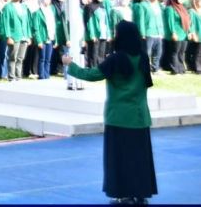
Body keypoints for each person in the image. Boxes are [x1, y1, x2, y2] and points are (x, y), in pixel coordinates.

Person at [62, 21, 157, 204]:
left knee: (119, 159)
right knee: (140, 159)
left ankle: (123, 194)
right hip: (139, 117)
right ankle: (140, 193)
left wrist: (70, 65)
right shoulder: (143, 57)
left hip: (119, 117)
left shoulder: (116, 59)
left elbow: (91, 75)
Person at [162, 0, 189, 75]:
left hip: (183, 33)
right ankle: (174, 69)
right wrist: (173, 32)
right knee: (174, 52)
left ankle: (181, 69)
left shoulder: (182, 8)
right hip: (175, 34)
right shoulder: (169, 8)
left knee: (181, 52)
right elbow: (170, 22)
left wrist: (189, 31)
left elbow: (187, 21)